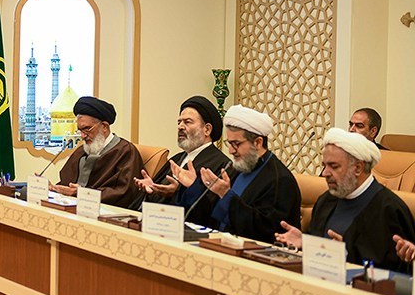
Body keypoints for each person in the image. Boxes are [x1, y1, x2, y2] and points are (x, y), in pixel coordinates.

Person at [276, 128, 415, 273]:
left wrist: (346, 254)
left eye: (334, 166)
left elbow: (398, 272)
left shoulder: (390, 210)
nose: (325, 173)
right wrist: (305, 242)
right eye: (324, 165)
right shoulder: (326, 200)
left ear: (358, 168)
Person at [173, 104, 301, 243]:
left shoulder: (280, 180)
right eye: (229, 143)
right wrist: (194, 187)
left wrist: (226, 196)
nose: (231, 151)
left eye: (236, 144)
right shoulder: (236, 168)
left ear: (258, 143)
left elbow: (265, 231)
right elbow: (210, 218)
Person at [51, 96, 143, 210]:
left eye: (87, 129)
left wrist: (83, 194)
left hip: (105, 212)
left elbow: (124, 192)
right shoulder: (82, 150)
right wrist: (54, 189)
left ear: (104, 126)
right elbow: (66, 183)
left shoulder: (126, 151)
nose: (82, 136)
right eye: (80, 130)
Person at [135, 95, 230, 204]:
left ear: (207, 129)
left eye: (187, 122)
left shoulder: (222, 165)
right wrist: (152, 190)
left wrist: (177, 192)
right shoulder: (177, 159)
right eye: (179, 122)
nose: (180, 127)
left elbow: (211, 208)